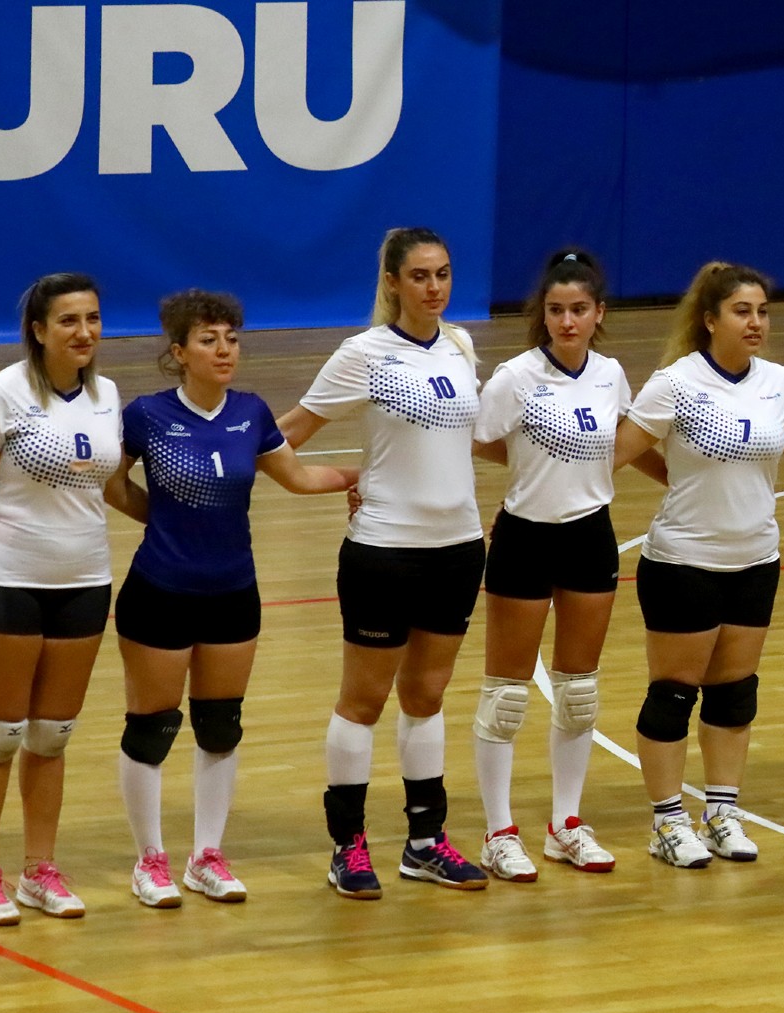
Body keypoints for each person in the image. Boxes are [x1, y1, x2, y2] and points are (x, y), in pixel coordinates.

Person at [110, 290, 357, 908]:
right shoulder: (147, 414)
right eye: (208, 340)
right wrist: (161, 521)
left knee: (220, 727)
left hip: (233, 592)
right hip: (160, 591)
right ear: (179, 351)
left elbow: (298, 477)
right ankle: (150, 861)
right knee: (153, 728)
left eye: (231, 338)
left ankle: (207, 857)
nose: (224, 350)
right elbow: (112, 484)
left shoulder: (251, 412)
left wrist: (367, 480)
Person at [277, 227, 489, 898]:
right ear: (393, 283)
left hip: (458, 549)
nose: (434, 287)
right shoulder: (363, 354)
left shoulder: (461, 346)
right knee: (364, 701)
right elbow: (286, 434)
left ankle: (426, 843)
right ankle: (348, 846)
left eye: (443, 273)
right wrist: (336, 478)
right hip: (384, 551)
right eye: (420, 275)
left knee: (426, 696)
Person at [613, 261, 784, 867]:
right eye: (742, 311)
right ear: (710, 319)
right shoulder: (676, 382)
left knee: (735, 695)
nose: (756, 322)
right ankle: (667, 821)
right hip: (684, 561)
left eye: (762, 311)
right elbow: (615, 449)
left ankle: (721, 813)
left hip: (755, 560)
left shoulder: (778, 382)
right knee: (673, 695)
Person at [470, 250, 659, 879]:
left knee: (578, 692)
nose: (568, 321)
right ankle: (499, 832)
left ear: (598, 313)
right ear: (543, 315)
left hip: (589, 537)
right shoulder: (515, 377)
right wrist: (530, 464)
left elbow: (621, 440)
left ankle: (565, 824)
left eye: (579, 309)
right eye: (556, 310)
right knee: (506, 696)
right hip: (524, 538)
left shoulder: (610, 375)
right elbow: (477, 438)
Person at [0, 273, 122, 925]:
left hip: (85, 581)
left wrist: (189, 516)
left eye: (93, 318)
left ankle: (39, 871)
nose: (85, 332)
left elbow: (110, 488)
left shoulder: (107, 395)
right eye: (69, 320)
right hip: (8, 580)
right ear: (39, 330)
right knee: (0, 734)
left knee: (52, 736)